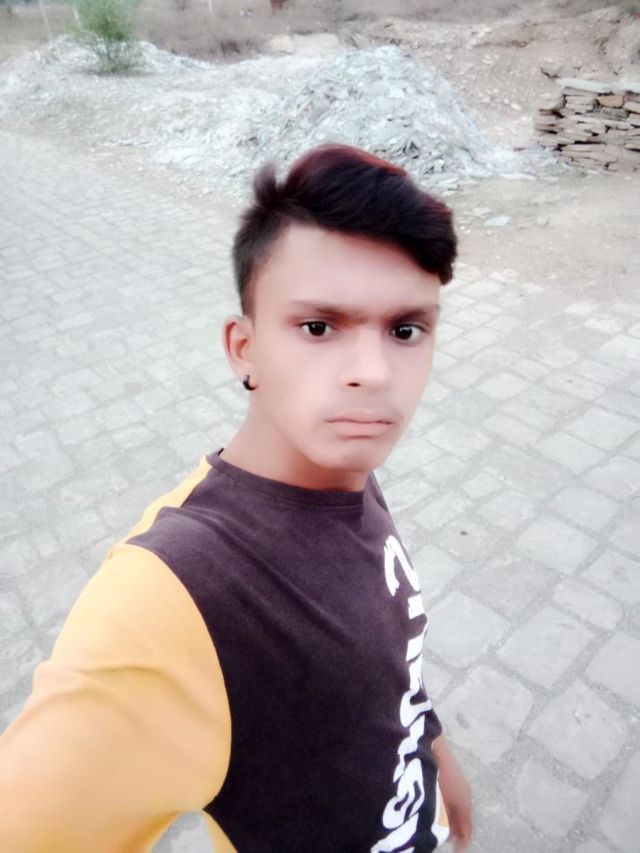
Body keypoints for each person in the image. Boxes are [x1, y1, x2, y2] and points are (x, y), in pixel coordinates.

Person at [0, 144, 472, 852]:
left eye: (406, 329)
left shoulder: (341, 466)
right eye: (318, 327)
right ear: (243, 348)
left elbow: (393, 657)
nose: (373, 373)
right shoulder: (177, 594)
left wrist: (433, 753)